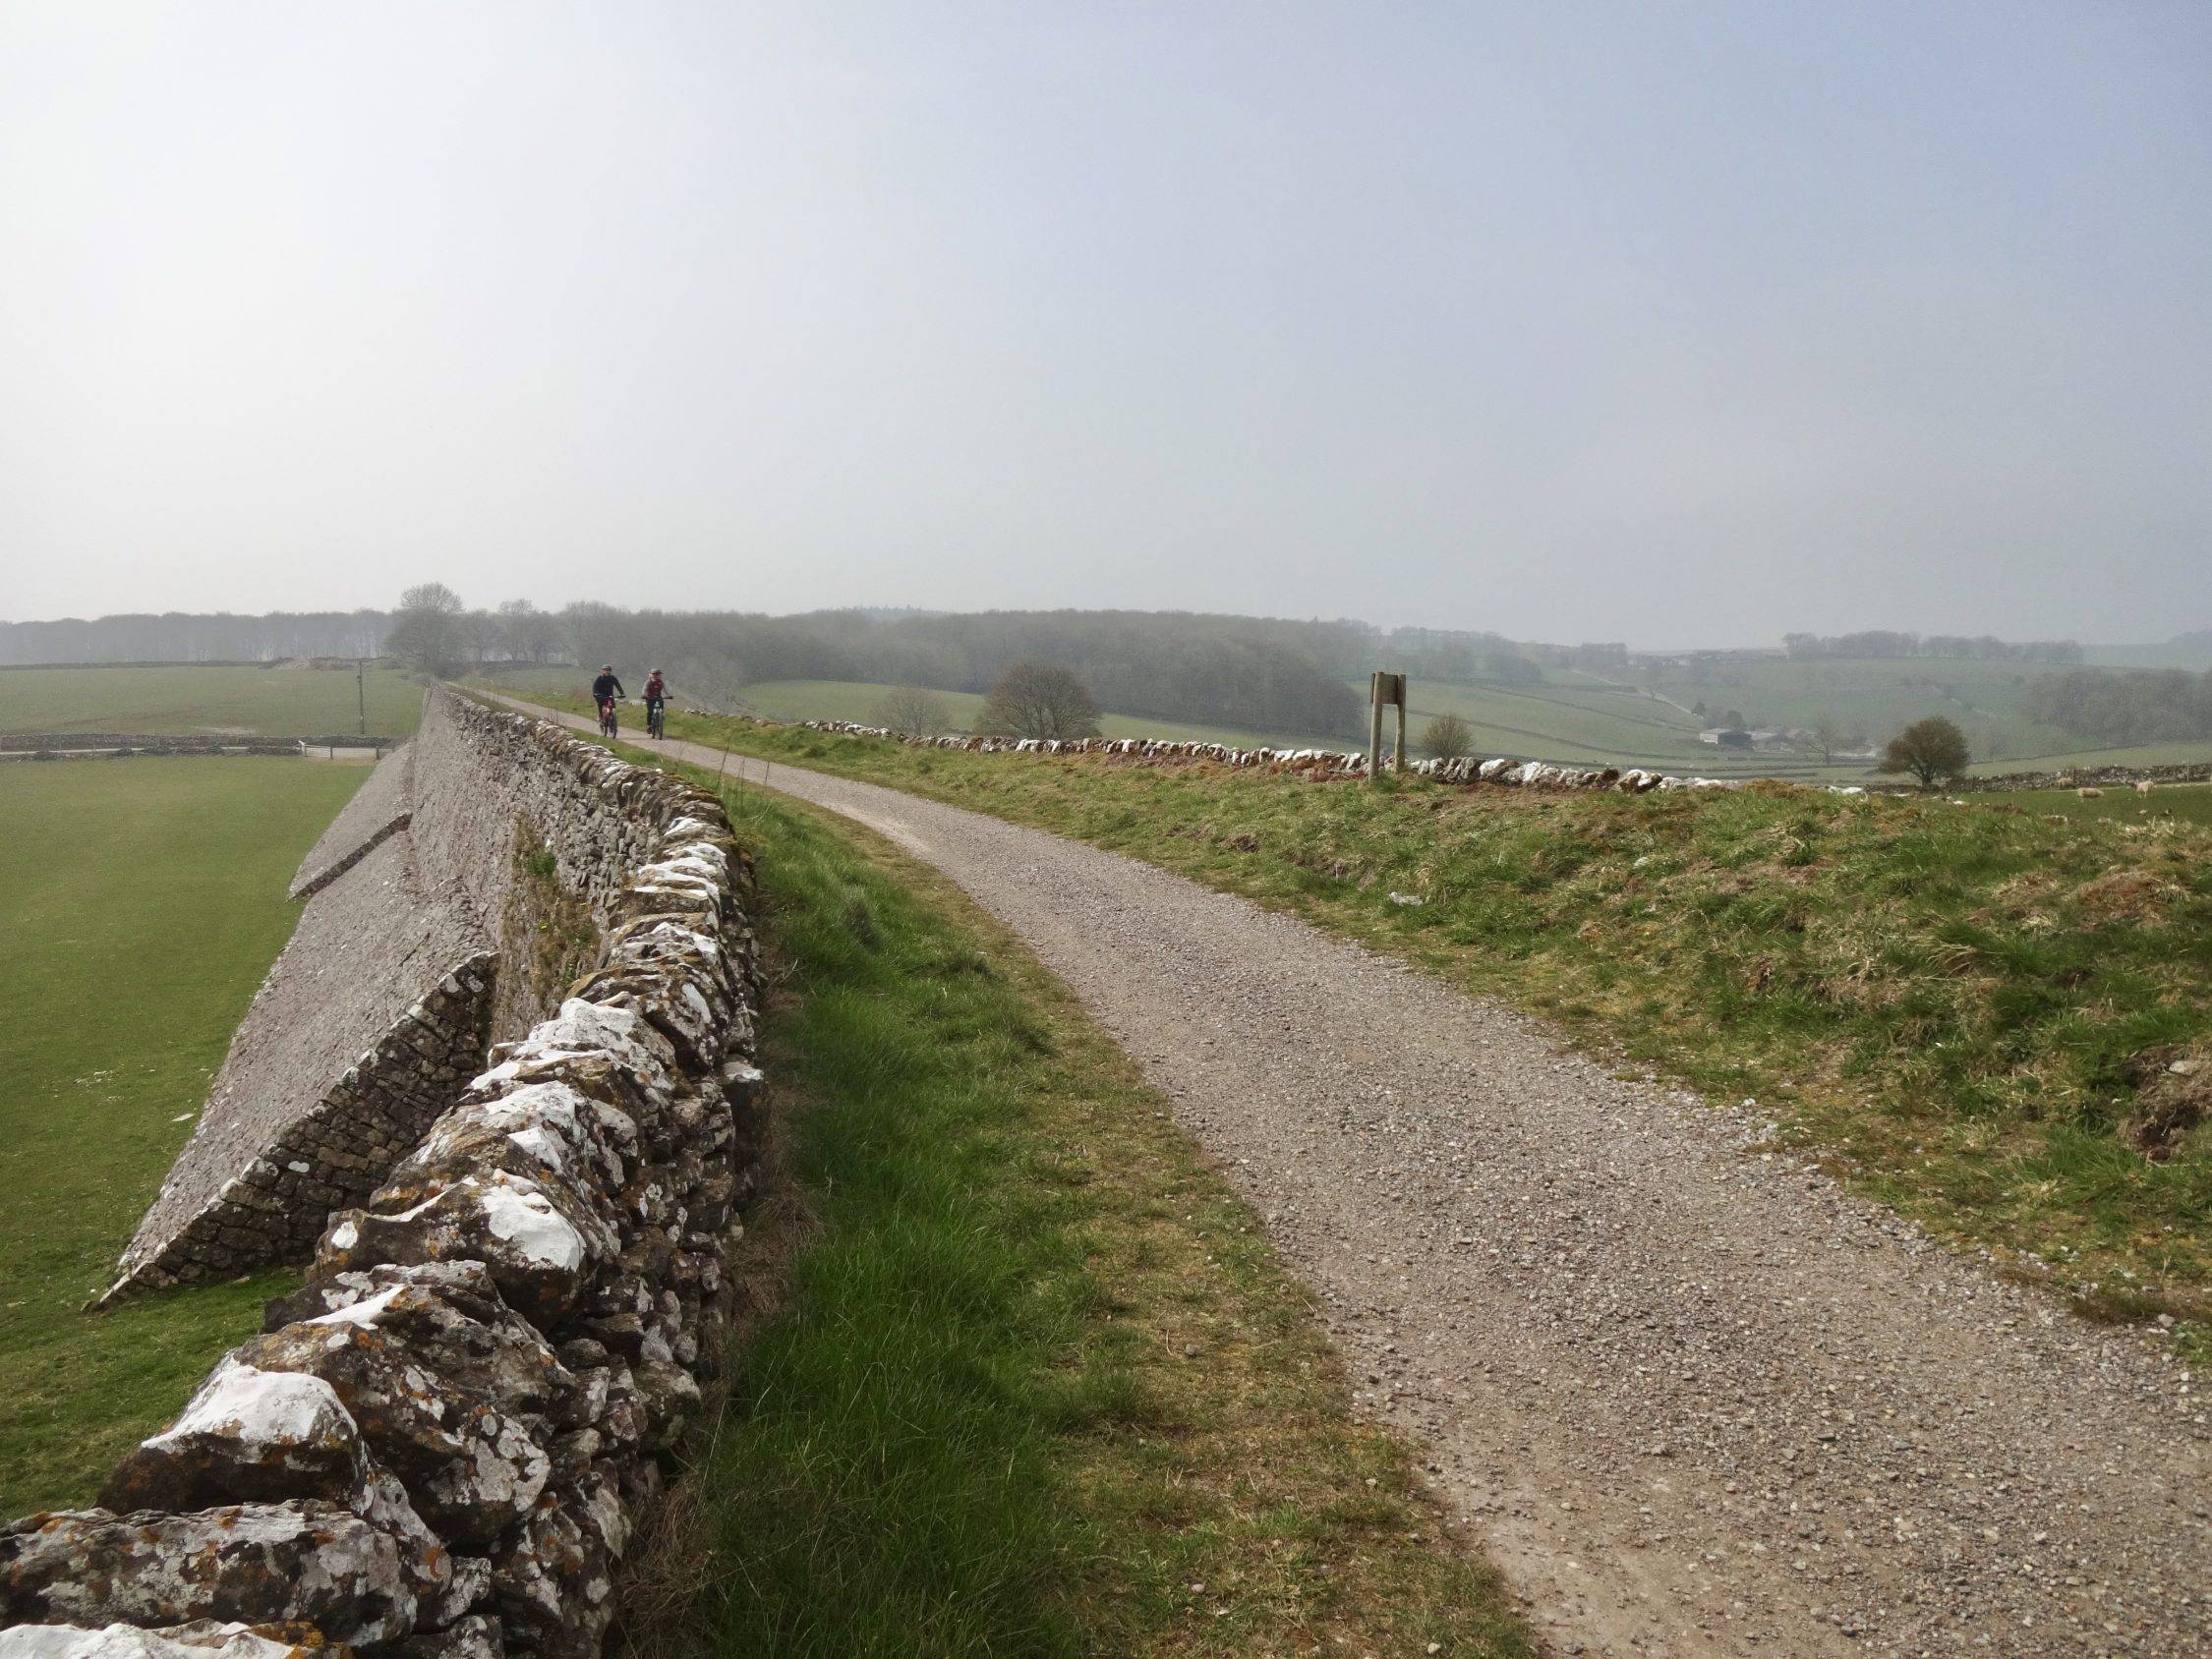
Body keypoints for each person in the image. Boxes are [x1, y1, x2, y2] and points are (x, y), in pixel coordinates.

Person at [591, 664, 625, 731]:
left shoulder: (612, 678)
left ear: (610, 671)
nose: (607, 672)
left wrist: (622, 693)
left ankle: (612, 724)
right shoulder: (600, 678)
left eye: (608, 670)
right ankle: (601, 718)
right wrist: (595, 693)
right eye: (605, 670)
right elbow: (595, 686)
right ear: (603, 671)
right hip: (600, 695)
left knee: (612, 709)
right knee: (600, 706)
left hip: (610, 695)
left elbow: (618, 686)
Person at [642, 668, 667, 736]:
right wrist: (644, 695)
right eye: (654, 674)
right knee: (650, 712)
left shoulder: (661, 682)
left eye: (658, 674)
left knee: (661, 708)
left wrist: (669, 695)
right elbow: (644, 689)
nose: (656, 675)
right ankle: (649, 725)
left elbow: (665, 689)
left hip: (658, 697)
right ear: (651, 675)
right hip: (650, 698)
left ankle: (660, 717)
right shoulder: (648, 681)